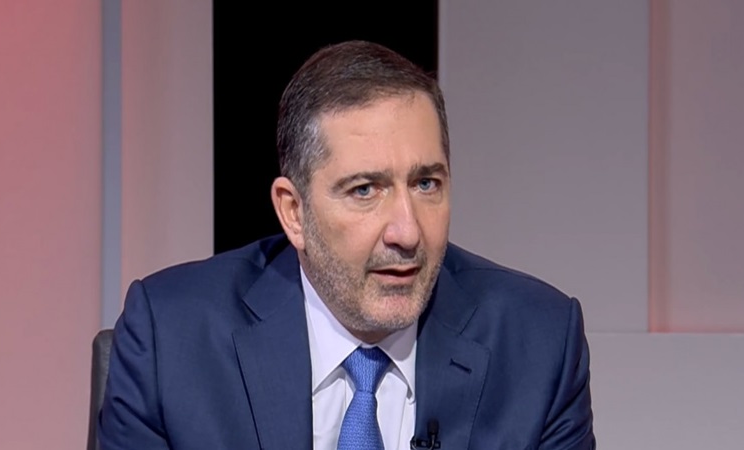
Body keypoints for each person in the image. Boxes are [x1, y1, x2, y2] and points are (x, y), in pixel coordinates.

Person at [98, 40, 595, 450]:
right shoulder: (172, 340)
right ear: (294, 212)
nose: (407, 232)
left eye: (426, 184)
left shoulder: (538, 344)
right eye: (365, 190)